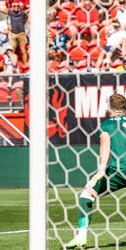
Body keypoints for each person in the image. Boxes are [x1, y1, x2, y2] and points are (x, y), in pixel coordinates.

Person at [65, 93, 126, 249]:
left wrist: (100, 171)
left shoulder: (106, 125)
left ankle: (81, 237)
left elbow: (105, 148)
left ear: (109, 109)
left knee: (87, 194)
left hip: (118, 171)